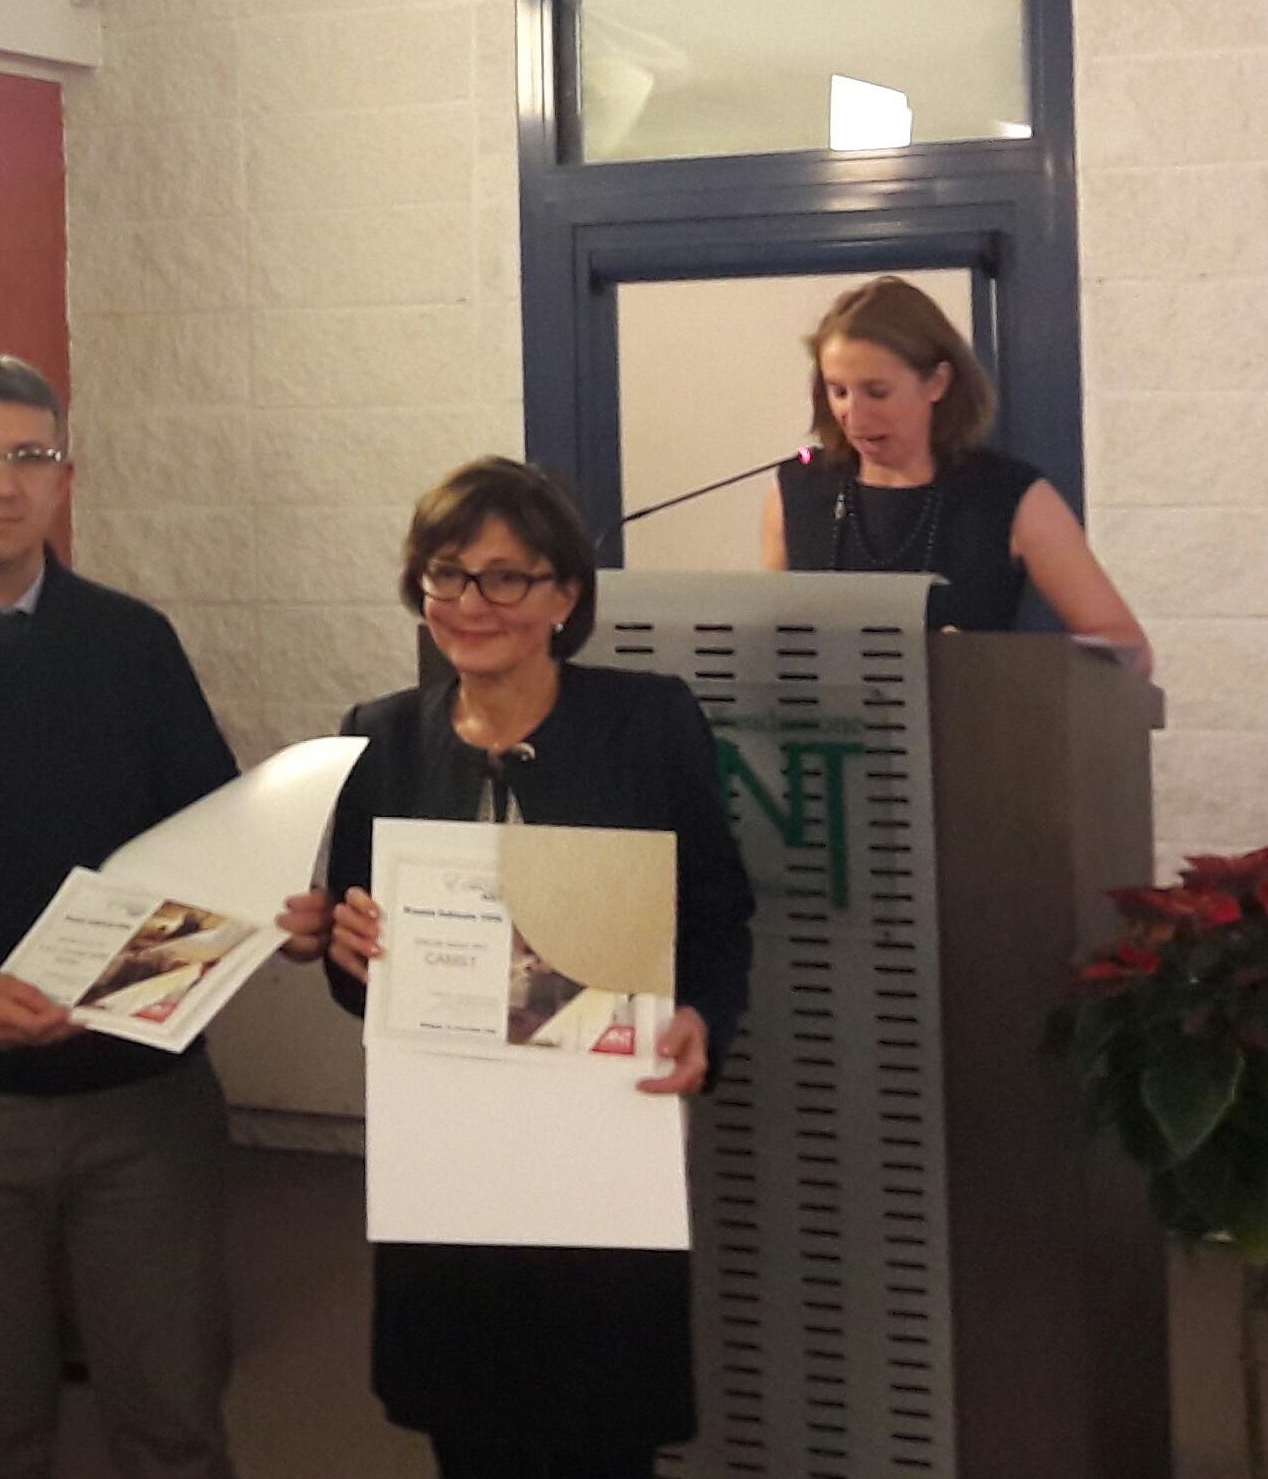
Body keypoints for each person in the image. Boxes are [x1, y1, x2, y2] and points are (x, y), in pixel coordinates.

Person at [0, 351, 330, 1479]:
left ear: (64, 479)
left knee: (175, 1420)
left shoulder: (133, 645)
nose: (1, 483)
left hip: (140, 1102)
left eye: (29, 456)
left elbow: (216, 837)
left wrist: (272, 912)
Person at [324, 457, 755, 1479]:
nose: (472, 602)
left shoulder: (647, 722)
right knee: (468, 1429)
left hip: (596, 1143)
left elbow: (717, 914)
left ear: (565, 595)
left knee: (601, 1425)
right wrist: (347, 950)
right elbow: (356, 973)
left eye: (506, 576)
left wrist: (701, 1017)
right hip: (448, 1155)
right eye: (446, 574)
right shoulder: (379, 739)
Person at [759, 275, 1152, 670]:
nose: (854, 416)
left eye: (877, 392)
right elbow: (769, 648)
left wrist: (989, 664)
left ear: (937, 383)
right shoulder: (795, 492)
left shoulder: (1010, 496)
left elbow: (1130, 651)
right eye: (838, 391)